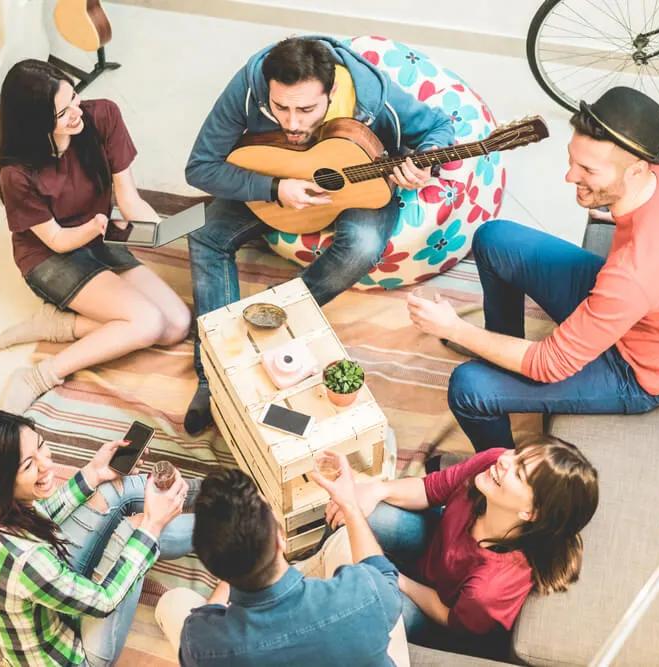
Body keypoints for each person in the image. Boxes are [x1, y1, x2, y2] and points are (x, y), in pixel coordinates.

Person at [406, 86, 659, 451]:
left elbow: (550, 365)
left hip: (641, 371)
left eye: (588, 170)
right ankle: (502, 351)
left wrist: (455, 329)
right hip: (640, 313)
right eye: (572, 160)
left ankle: (503, 467)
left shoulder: (634, 274)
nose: (568, 176)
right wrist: (618, 208)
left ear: (638, 169)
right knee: (494, 238)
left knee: (470, 387)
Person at [183, 36, 455, 434]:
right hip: (279, 181)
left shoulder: (371, 93)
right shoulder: (249, 84)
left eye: (307, 109)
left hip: (361, 186)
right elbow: (200, 167)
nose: (292, 123)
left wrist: (424, 164)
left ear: (332, 93)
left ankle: (274, 319)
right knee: (204, 234)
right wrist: (274, 188)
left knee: (362, 245)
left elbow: (438, 125)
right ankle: (214, 377)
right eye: (280, 108)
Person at [0, 60, 191, 414]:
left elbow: (129, 198)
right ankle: (38, 376)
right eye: (62, 112)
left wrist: (160, 232)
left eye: (74, 98)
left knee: (176, 325)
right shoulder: (17, 173)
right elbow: (54, 240)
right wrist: (91, 228)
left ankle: (63, 325)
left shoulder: (102, 117)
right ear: (35, 124)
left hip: (98, 237)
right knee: (146, 322)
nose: (76, 113)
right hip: (50, 256)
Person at [0, 408, 195, 667]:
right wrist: (152, 526)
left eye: (41, 446)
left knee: (111, 488)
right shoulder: (28, 561)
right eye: (30, 464)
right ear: (1, 482)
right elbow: (104, 601)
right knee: (136, 530)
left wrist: (94, 472)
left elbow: (43, 517)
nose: (47, 464)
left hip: (48, 604)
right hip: (75, 657)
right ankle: (213, 523)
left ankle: (198, 496)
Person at [330, 436, 598, 659]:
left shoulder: (490, 588)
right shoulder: (491, 465)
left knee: (371, 599)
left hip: (439, 616)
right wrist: (377, 489)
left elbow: (449, 617)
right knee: (371, 511)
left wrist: (394, 577)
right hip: (433, 551)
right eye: (518, 454)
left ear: (531, 512)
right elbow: (429, 489)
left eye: (519, 472)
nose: (504, 459)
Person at [166, 459, 408, 667]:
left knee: (171, 603)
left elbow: (203, 629)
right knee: (346, 538)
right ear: (281, 537)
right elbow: (385, 576)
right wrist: (350, 505)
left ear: (213, 568)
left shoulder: (200, 643)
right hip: (350, 619)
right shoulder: (363, 593)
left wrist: (232, 565)